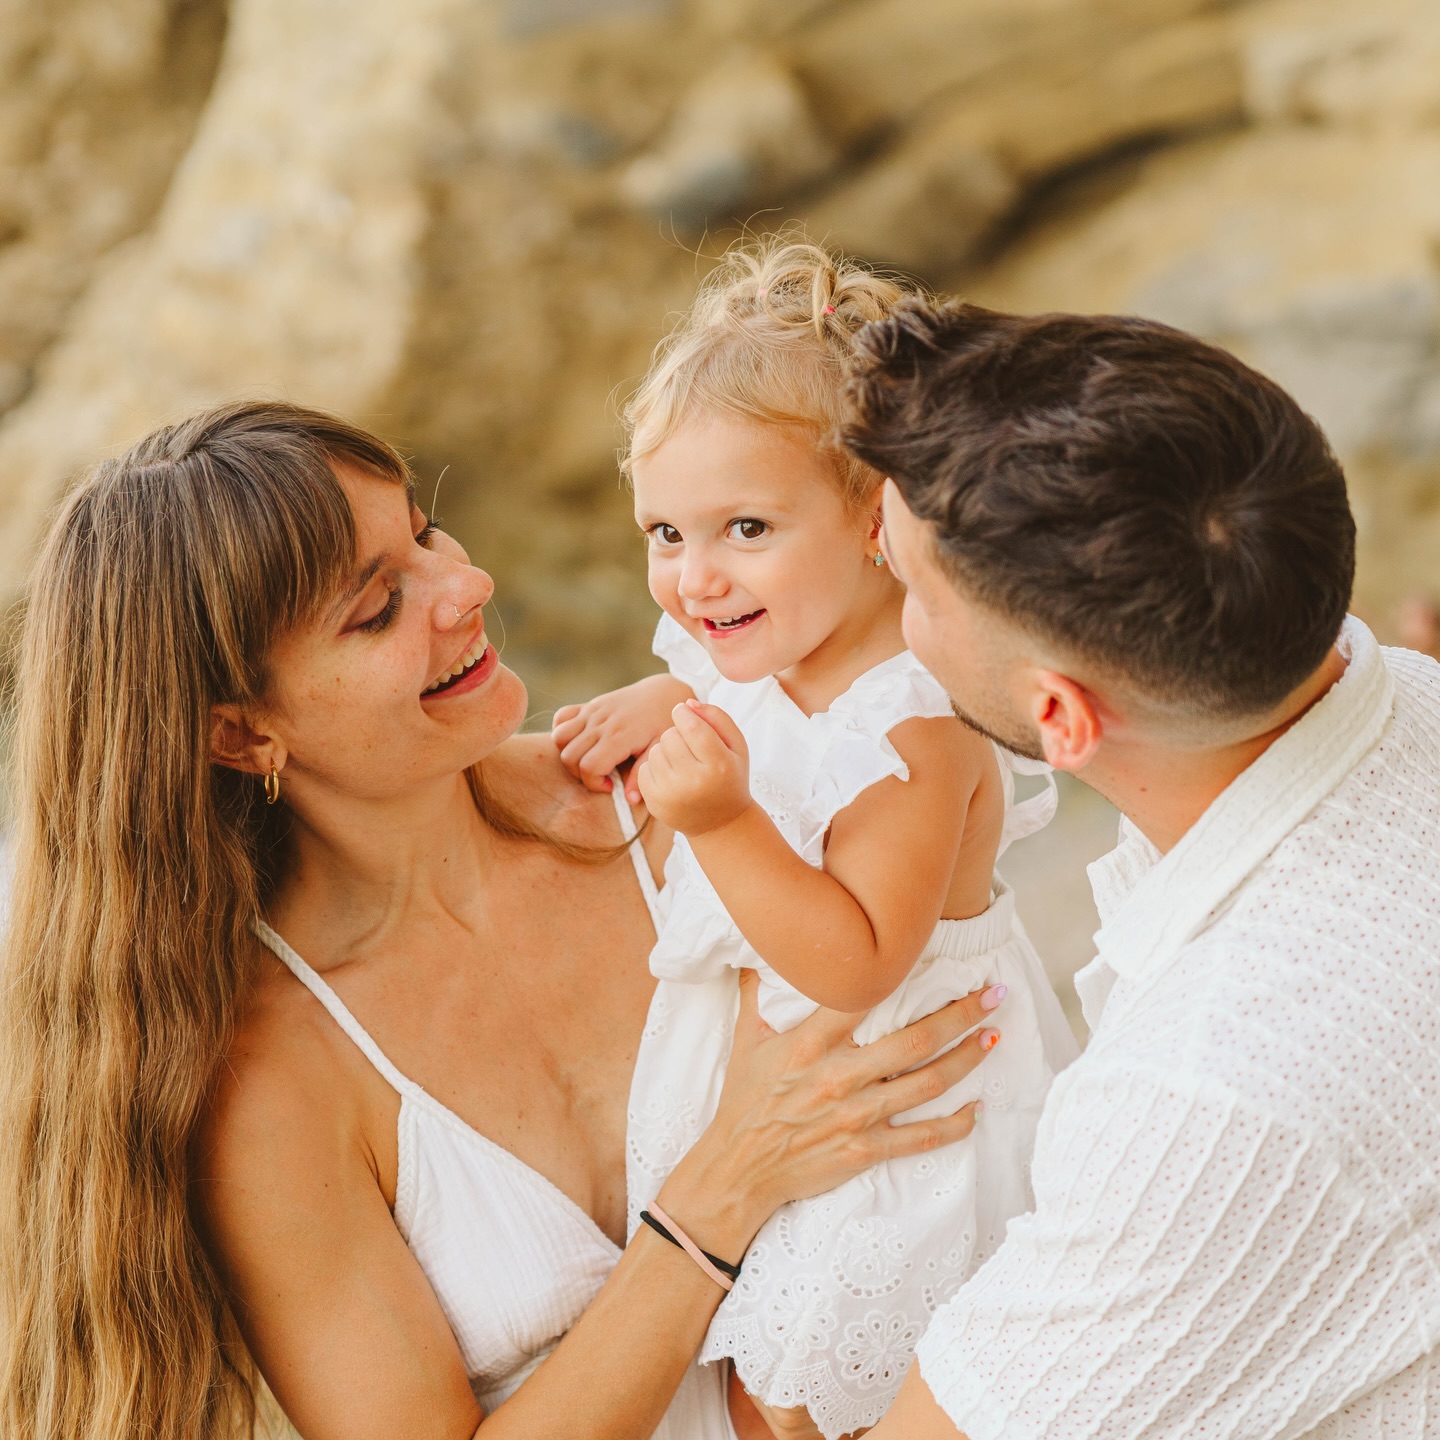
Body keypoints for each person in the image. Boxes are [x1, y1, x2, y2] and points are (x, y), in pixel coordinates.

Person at [0, 401, 1002, 1440]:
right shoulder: (274, 1076)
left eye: (426, 532)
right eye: (378, 607)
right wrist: (721, 1189)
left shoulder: (688, 801)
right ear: (242, 734)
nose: (466, 586)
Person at [838, 301, 1440, 1438]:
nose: (886, 599)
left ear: (1060, 717)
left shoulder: (1208, 1101)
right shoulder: (1415, 702)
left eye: (911, 589)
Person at [552, 240, 1076, 1438]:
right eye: (664, 534)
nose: (694, 580)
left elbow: (853, 960)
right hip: (798, 1113)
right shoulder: (770, 649)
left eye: (743, 527)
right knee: (755, 1389)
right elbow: (730, 694)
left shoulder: (914, 730)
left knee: (812, 1398)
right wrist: (672, 709)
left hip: (895, 1132)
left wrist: (722, 822)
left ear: (876, 520)